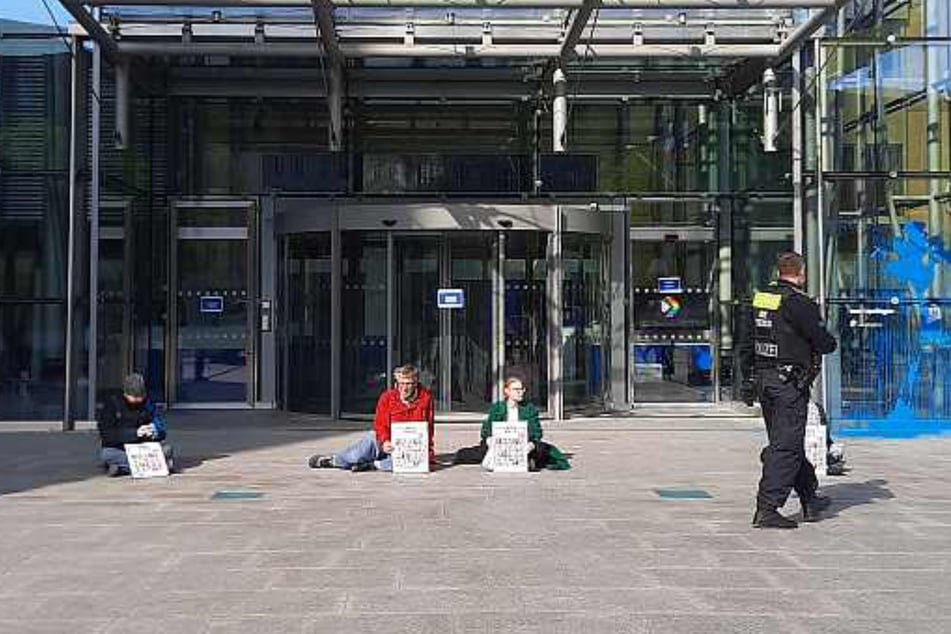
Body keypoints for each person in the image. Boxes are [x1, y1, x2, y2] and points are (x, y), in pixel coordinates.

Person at [750, 251, 837, 529]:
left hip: (765, 380)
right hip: (789, 384)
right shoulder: (800, 303)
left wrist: (744, 383)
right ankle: (768, 507)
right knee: (785, 446)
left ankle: (809, 497)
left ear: (779, 271)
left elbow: (746, 340)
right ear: (801, 273)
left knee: (787, 441)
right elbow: (823, 342)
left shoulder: (762, 298)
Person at [309, 364, 435, 472]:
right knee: (358, 453)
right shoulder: (387, 397)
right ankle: (334, 460)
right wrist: (385, 441)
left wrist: (424, 448)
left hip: (409, 445)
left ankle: (373, 464)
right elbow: (380, 425)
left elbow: (428, 427)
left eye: (408, 384)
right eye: (400, 383)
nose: (404, 388)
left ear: (416, 383)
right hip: (386, 440)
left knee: (407, 464)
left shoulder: (426, 398)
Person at [477, 377, 570, 471]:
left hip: (523, 443)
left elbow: (536, 432)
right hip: (502, 444)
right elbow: (487, 430)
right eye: (516, 389)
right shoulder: (498, 408)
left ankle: (529, 460)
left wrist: (530, 444)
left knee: (542, 449)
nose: (520, 392)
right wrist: (490, 440)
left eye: (522, 389)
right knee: (478, 451)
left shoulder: (529, 408)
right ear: (507, 391)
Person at [97, 373, 174, 477]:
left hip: (143, 447)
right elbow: (107, 434)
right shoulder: (112, 404)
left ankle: (123, 468)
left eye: (140, 397)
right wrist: (135, 433)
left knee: (167, 449)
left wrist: (154, 431)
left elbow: (161, 429)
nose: (138, 401)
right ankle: (156, 466)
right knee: (107, 455)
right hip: (121, 448)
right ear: (125, 394)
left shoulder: (147, 404)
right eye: (134, 397)